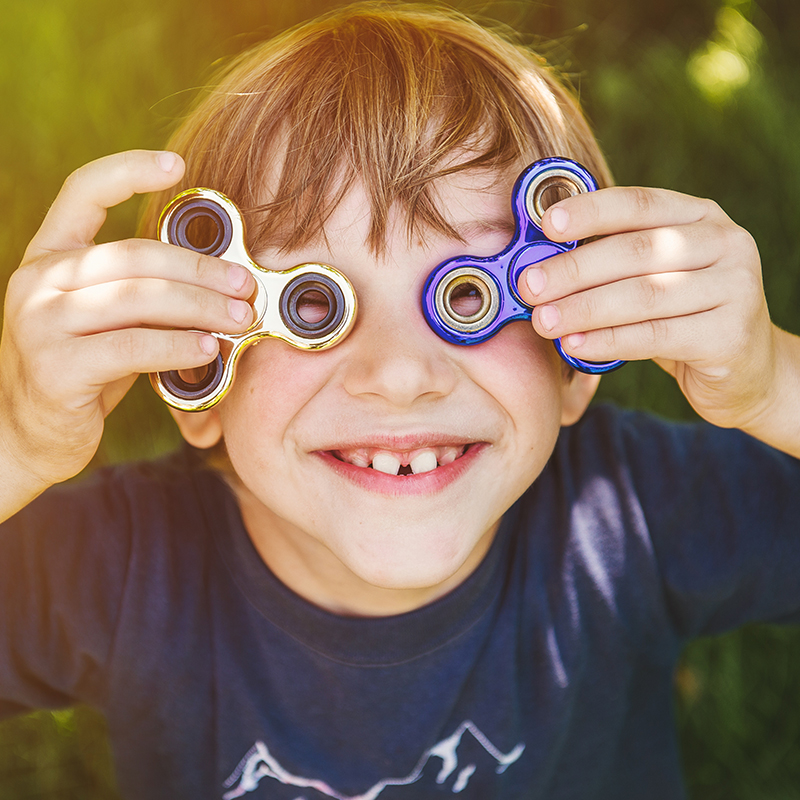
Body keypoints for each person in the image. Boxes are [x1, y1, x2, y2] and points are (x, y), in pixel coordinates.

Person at [1, 3, 799, 798]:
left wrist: (774, 384)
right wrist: (17, 442)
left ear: (580, 358)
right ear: (194, 375)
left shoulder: (627, 516)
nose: (399, 374)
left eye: (467, 298)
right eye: (315, 306)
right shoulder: (126, 567)